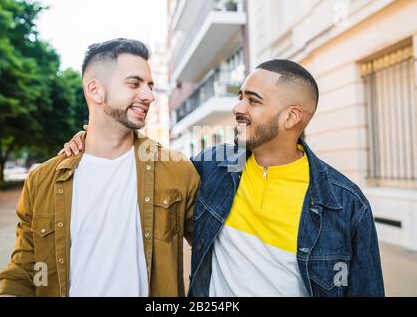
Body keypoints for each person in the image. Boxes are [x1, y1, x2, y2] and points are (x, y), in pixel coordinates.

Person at [62, 60, 385, 297]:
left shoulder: (345, 204)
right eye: (240, 96)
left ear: (291, 117)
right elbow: (143, 161)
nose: (237, 107)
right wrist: (87, 140)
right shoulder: (210, 168)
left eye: (252, 100)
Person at [0, 38, 199, 297]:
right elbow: (25, 269)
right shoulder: (42, 180)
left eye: (150, 86)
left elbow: (215, 250)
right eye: (134, 83)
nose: (149, 96)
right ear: (95, 90)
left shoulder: (177, 171)